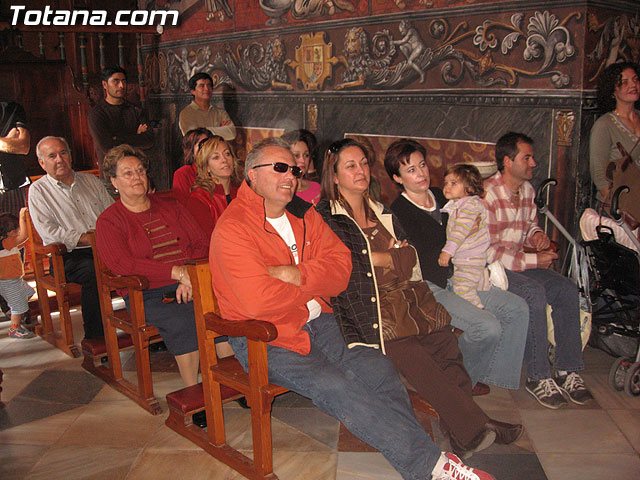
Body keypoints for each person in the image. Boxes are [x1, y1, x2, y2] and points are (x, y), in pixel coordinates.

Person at [210, 137, 495, 480]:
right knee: (336, 385)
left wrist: (295, 274)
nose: (290, 176)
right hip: (266, 338)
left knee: (377, 368)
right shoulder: (234, 227)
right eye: (279, 167)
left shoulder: (302, 213)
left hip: (320, 322)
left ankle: (419, 459)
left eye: (295, 169)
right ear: (251, 176)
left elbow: (342, 268)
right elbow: (256, 301)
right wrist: (314, 285)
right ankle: (432, 467)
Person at [317, 138, 522, 460]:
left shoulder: (380, 209)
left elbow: (409, 258)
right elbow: (348, 267)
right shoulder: (327, 217)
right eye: (351, 166)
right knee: (417, 357)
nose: (361, 171)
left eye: (364, 163)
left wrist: (383, 258)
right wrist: (388, 257)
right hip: (372, 310)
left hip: (410, 297)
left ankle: (466, 428)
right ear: (334, 174)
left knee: (447, 347)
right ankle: (472, 426)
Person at [386, 139, 528, 391]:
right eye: (411, 170)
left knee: (516, 308)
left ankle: (480, 374)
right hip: (431, 285)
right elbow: (411, 260)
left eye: (422, 165)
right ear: (397, 178)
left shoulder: (445, 194)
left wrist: (474, 232)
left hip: (463, 273)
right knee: (486, 327)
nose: (421, 174)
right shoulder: (396, 212)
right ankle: (452, 386)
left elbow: (476, 214)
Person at [484, 132, 593, 409]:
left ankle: (568, 369)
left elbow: (530, 224)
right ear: (508, 162)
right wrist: (534, 261)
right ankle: (538, 376)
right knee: (534, 293)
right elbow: (487, 251)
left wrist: (536, 237)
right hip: (492, 270)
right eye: (527, 157)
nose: (533, 163)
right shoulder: (488, 194)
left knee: (565, 289)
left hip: (518, 263)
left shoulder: (528, 191)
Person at [96, 144, 207, 387]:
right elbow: (122, 264)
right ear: (113, 181)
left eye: (140, 171)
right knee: (184, 318)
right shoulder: (109, 221)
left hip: (191, 281)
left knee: (224, 308)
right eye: (128, 173)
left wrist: (187, 274)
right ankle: (194, 390)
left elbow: (201, 242)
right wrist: (175, 272)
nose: (137, 177)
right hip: (146, 292)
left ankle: (229, 381)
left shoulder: (170, 206)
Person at [28, 136, 114, 340]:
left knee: (138, 262)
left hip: (103, 247)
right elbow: (49, 232)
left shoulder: (91, 181)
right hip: (69, 255)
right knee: (96, 273)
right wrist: (86, 239)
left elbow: (113, 215)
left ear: (70, 155)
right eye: (52, 156)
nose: (59, 159)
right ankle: (96, 340)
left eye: (63, 153)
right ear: (42, 162)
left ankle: (145, 329)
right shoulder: (38, 191)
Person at [438, 164, 491, 309]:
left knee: (462, 289)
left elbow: (459, 232)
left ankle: (477, 311)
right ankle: (483, 281)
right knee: (467, 283)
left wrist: (447, 252)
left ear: (469, 188)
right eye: (446, 183)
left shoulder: (469, 206)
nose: (447, 187)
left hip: (470, 258)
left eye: (453, 183)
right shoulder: (458, 204)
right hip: (467, 258)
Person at [589, 62, 640, 207]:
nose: (633, 85)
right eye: (624, 82)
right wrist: (618, 204)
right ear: (613, 91)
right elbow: (599, 174)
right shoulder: (604, 125)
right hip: (618, 207)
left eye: (635, 79)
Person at [88, 66, 154, 166]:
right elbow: (107, 147)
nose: (122, 86)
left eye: (124, 81)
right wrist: (136, 135)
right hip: (111, 172)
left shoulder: (136, 110)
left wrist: (116, 138)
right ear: (105, 84)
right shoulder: (97, 114)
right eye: (116, 81)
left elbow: (149, 140)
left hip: (136, 168)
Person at [186, 136, 241, 238]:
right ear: (207, 167)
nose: (224, 160)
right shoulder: (199, 200)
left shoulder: (243, 191)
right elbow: (208, 239)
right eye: (216, 157)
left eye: (227, 154)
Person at [0, 208, 35, 339]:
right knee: (18, 304)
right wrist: (22, 217)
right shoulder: (6, 242)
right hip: (9, 282)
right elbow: (24, 236)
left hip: (15, 280)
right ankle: (14, 328)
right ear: (9, 232)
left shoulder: (6, 245)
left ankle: (14, 309)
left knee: (28, 293)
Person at [178, 72, 236, 141]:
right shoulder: (186, 113)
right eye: (202, 86)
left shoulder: (220, 112)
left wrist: (203, 131)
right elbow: (194, 138)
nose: (207, 89)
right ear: (193, 91)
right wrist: (220, 131)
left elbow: (232, 133)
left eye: (209, 85)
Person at [173, 128, 213, 205]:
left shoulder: (219, 169)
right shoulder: (183, 174)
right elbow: (182, 206)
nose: (206, 149)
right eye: (201, 145)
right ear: (191, 150)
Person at [281, 129, 322, 203]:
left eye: (306, 155)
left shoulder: (318, 189)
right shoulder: (281, 190)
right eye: (296, 155)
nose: (303, 160)